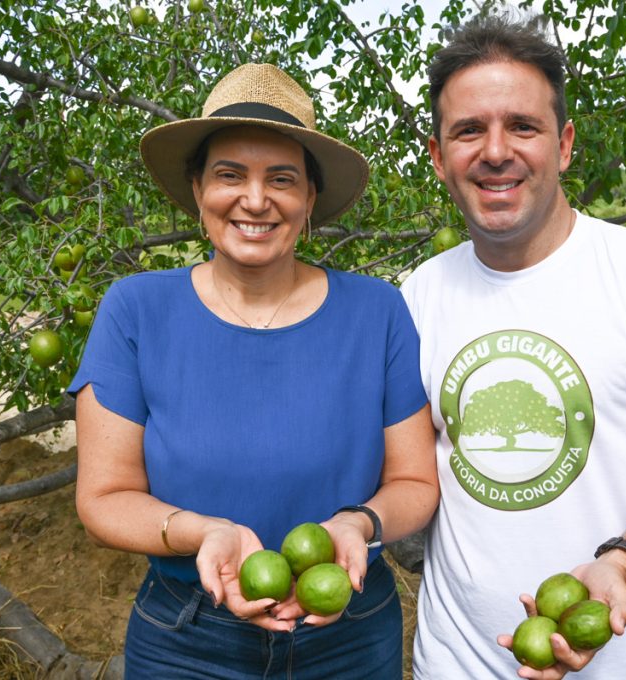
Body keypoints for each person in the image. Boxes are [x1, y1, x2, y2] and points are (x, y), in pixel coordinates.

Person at [400, 15, 626, 680]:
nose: (496, 151)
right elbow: (407, 475)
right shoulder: (417, 296)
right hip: (450, 666)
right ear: (438, 155)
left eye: (523, 127)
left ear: (564, 144)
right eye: (469, 130)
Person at [70, 63, 438, 679]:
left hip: (347, 632)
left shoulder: (377, 310)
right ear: (197, 189)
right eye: (230, 174)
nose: (256, 199)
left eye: (282, 179)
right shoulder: (135, 309)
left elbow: (414, 482)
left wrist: (359, 522)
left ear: (310, 198)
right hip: (188, 637)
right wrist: (201, 532)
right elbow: (104, 498)